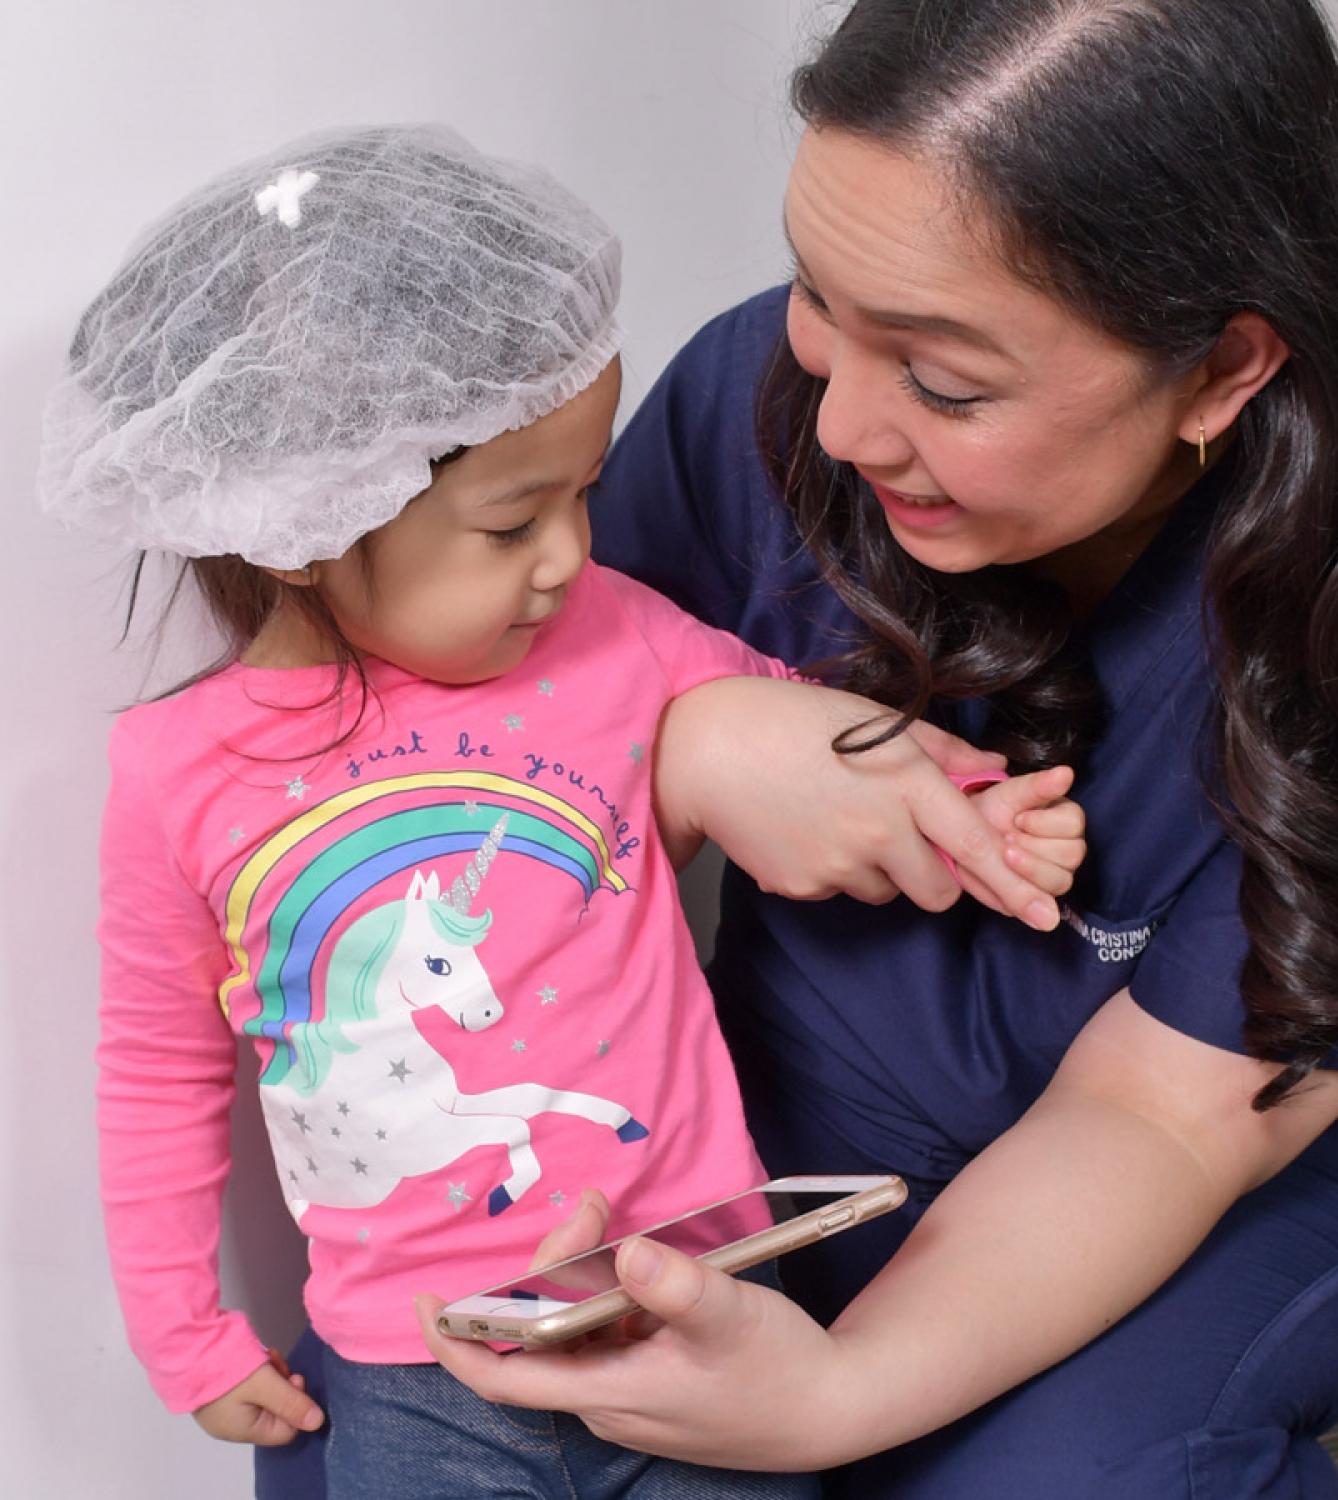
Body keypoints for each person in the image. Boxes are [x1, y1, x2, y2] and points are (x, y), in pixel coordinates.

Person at [414, 2, 1338, 1496]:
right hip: (777, 1134)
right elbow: (453, 781)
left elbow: (1159, 1122)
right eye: (814, 292)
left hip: (1206, 1175)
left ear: (1220, 369)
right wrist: (698, 743)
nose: (845, 421)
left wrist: (834, 1399)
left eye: (945, 383)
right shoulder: (767, 392)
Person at [37, 125, 1085, 1500]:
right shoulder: (183, 775)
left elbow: (819, 738)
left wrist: (971, 804)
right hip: (419, 1369)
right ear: (303, 520)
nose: (570, 557)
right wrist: (186, 1336)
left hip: (689, 1307)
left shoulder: (616, 639)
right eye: (511, 521)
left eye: (581, 496)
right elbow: (158, 1072)